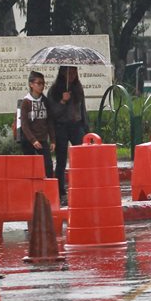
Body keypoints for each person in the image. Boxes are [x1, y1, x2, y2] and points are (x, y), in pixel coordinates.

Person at [47, 66, 89, 203]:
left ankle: (82, 188)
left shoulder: (78, 88)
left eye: (74, 72)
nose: (72, 75)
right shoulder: (54, 90)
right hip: (61, 127)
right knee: (61, 160)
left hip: (76, 126)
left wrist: (86, 128)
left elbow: (82, 109)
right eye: (69, 72)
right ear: (62, 73)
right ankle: (61, 192)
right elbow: (52, 113)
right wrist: (62, 101)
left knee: (82, 158)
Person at [18, 71, 54, 178]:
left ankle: (48, 188)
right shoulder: (26, 102)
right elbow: (24, 124)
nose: (41, 86)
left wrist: (53, 139)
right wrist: (33, 140)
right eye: (38, 83)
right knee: (30, 166)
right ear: (31, 84)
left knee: (48, 165)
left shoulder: (46, 101)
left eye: (43, 83)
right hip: (29, 139)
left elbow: (49, 121)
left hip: (42, 138)